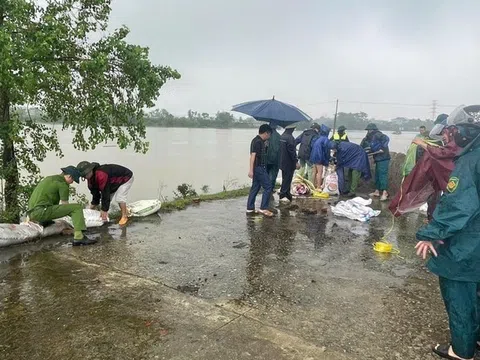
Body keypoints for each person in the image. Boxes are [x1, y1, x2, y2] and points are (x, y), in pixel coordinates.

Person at [414, 105, 480, 360]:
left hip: (469, 244)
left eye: (453, 132)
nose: (449, 137)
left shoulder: (471, 160)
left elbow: (459, 203)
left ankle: (462, 350)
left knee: (460, 295)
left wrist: (432, 231)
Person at [27, 166, 97, 246]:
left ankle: (45, 221)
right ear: (69, 176)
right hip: (41, 212)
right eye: (73, 180)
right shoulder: (63, 184)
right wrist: (78, 220)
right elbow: (65, 206)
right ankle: (79, 237)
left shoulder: (49, 179)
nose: (72, 182)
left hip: (32, 213)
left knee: (51, 203)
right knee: (76, 207)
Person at [76, 161, 134, 226]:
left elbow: (105, 192)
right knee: (105, 201)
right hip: (113, 182)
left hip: (125, 177)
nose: (86, 176)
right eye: (84, 175)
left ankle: (124, 216)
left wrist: (104, 210)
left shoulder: (101, 174)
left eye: (87, 174)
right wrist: (92, 207)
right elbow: (96, 194)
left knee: (119, 198)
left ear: (91, 170)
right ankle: (125, 209)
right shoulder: (90, 180)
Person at [246, 124, 274, 217]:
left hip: (257, 168)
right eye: (269, 135)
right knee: (268, 186)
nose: (269, 137)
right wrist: (251, 170)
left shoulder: (259, 141)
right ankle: (263, 208)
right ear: (266, 133)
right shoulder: (257, 142)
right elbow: (252, 156)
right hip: (259, 168)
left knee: (255, 187)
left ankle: (250, 208)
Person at [360, 123, 390, 201]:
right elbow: (364, 146)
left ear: (373, 130)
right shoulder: (368, 138)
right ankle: (377, 191)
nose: (368, 131)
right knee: (377, 175)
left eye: (369, 130)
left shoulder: (378, 135)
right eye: (368, 130)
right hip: (377, 158)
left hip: (383, 158)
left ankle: (384, 192)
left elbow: (387, 139)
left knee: (382, 174)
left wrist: (382, 147)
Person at [279, 124, 300, 203]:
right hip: (289, 162)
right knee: (287, 179)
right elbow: (292, 152)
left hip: (282, 161)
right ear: (292, 129)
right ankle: (283, 194)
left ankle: (287, 193)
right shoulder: (290, 138)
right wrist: (296, 162)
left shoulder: (281, 137)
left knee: (285, 178)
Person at [309, 124, 332, 189]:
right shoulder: (325, 139)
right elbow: (326, 150)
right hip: (319, 157)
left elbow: (312, 145)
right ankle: (318, 187)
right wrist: (328, 159)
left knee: (314, 172)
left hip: (313, 156)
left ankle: (312, 185)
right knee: (320, 172)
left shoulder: (317, 137)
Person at [266, 122, 281, 193]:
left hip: (266, 158)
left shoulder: (266, 135)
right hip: (276, 159)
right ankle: (271, 188)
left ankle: (266, 188)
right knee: (273, 174)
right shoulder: (279, 136)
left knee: (267, 173)